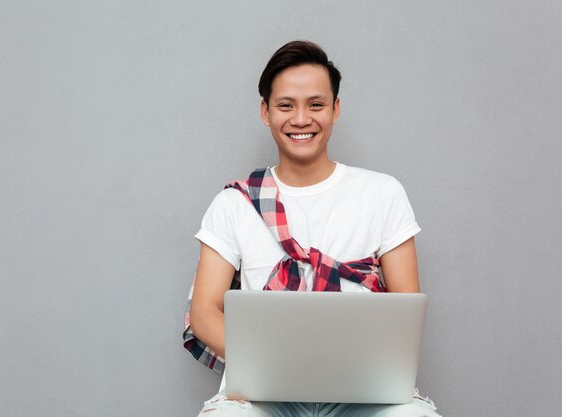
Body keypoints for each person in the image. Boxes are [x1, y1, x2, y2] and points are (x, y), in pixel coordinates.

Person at [184, 40, 442, 417]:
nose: (301, 119)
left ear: (336, 110)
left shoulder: (383, 193)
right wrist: (279, 364)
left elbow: (406, 308)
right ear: (265, 111)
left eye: (316, 104)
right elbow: (204, 311)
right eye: (285, 105)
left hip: (365, 391)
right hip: (261, 394)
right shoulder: (235, 203)